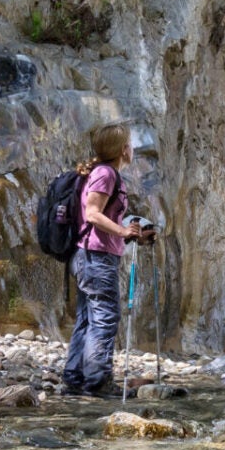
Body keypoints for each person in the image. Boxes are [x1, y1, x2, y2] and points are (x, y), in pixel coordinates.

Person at [62, 123, 153, 397]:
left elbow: (102, 218)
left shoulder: (102, 173)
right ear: (123, 149)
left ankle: (76, 379)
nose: (132, 147)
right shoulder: (105, 174)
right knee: (104, 318)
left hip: (90, 255)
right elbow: (92, 214)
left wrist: (132, 234)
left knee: (88, 319)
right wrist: (123, 231)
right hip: (95, 258)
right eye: (130, 143)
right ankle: (97, 381)